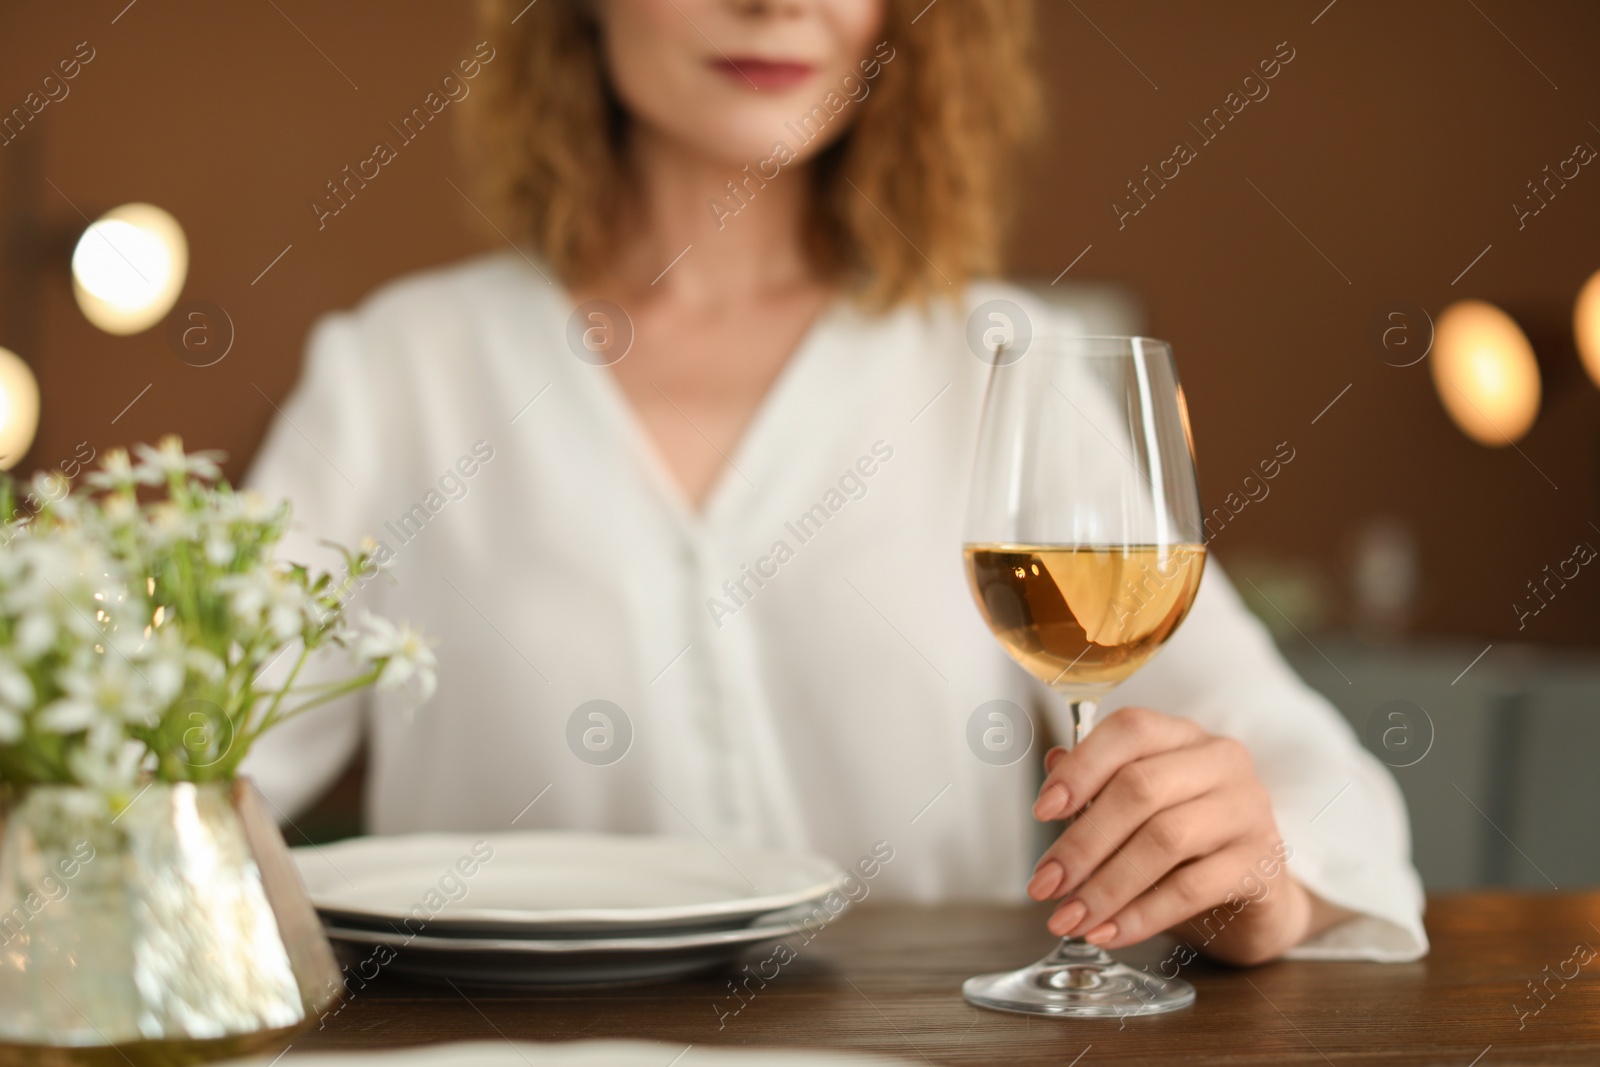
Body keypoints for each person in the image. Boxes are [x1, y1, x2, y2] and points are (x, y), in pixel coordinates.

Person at [244, 0, 1426, 966]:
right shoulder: (400, 368)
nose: (775, 3)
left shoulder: (1000, 361)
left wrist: (1261, 874)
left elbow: (1315, 786)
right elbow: (195, 761)